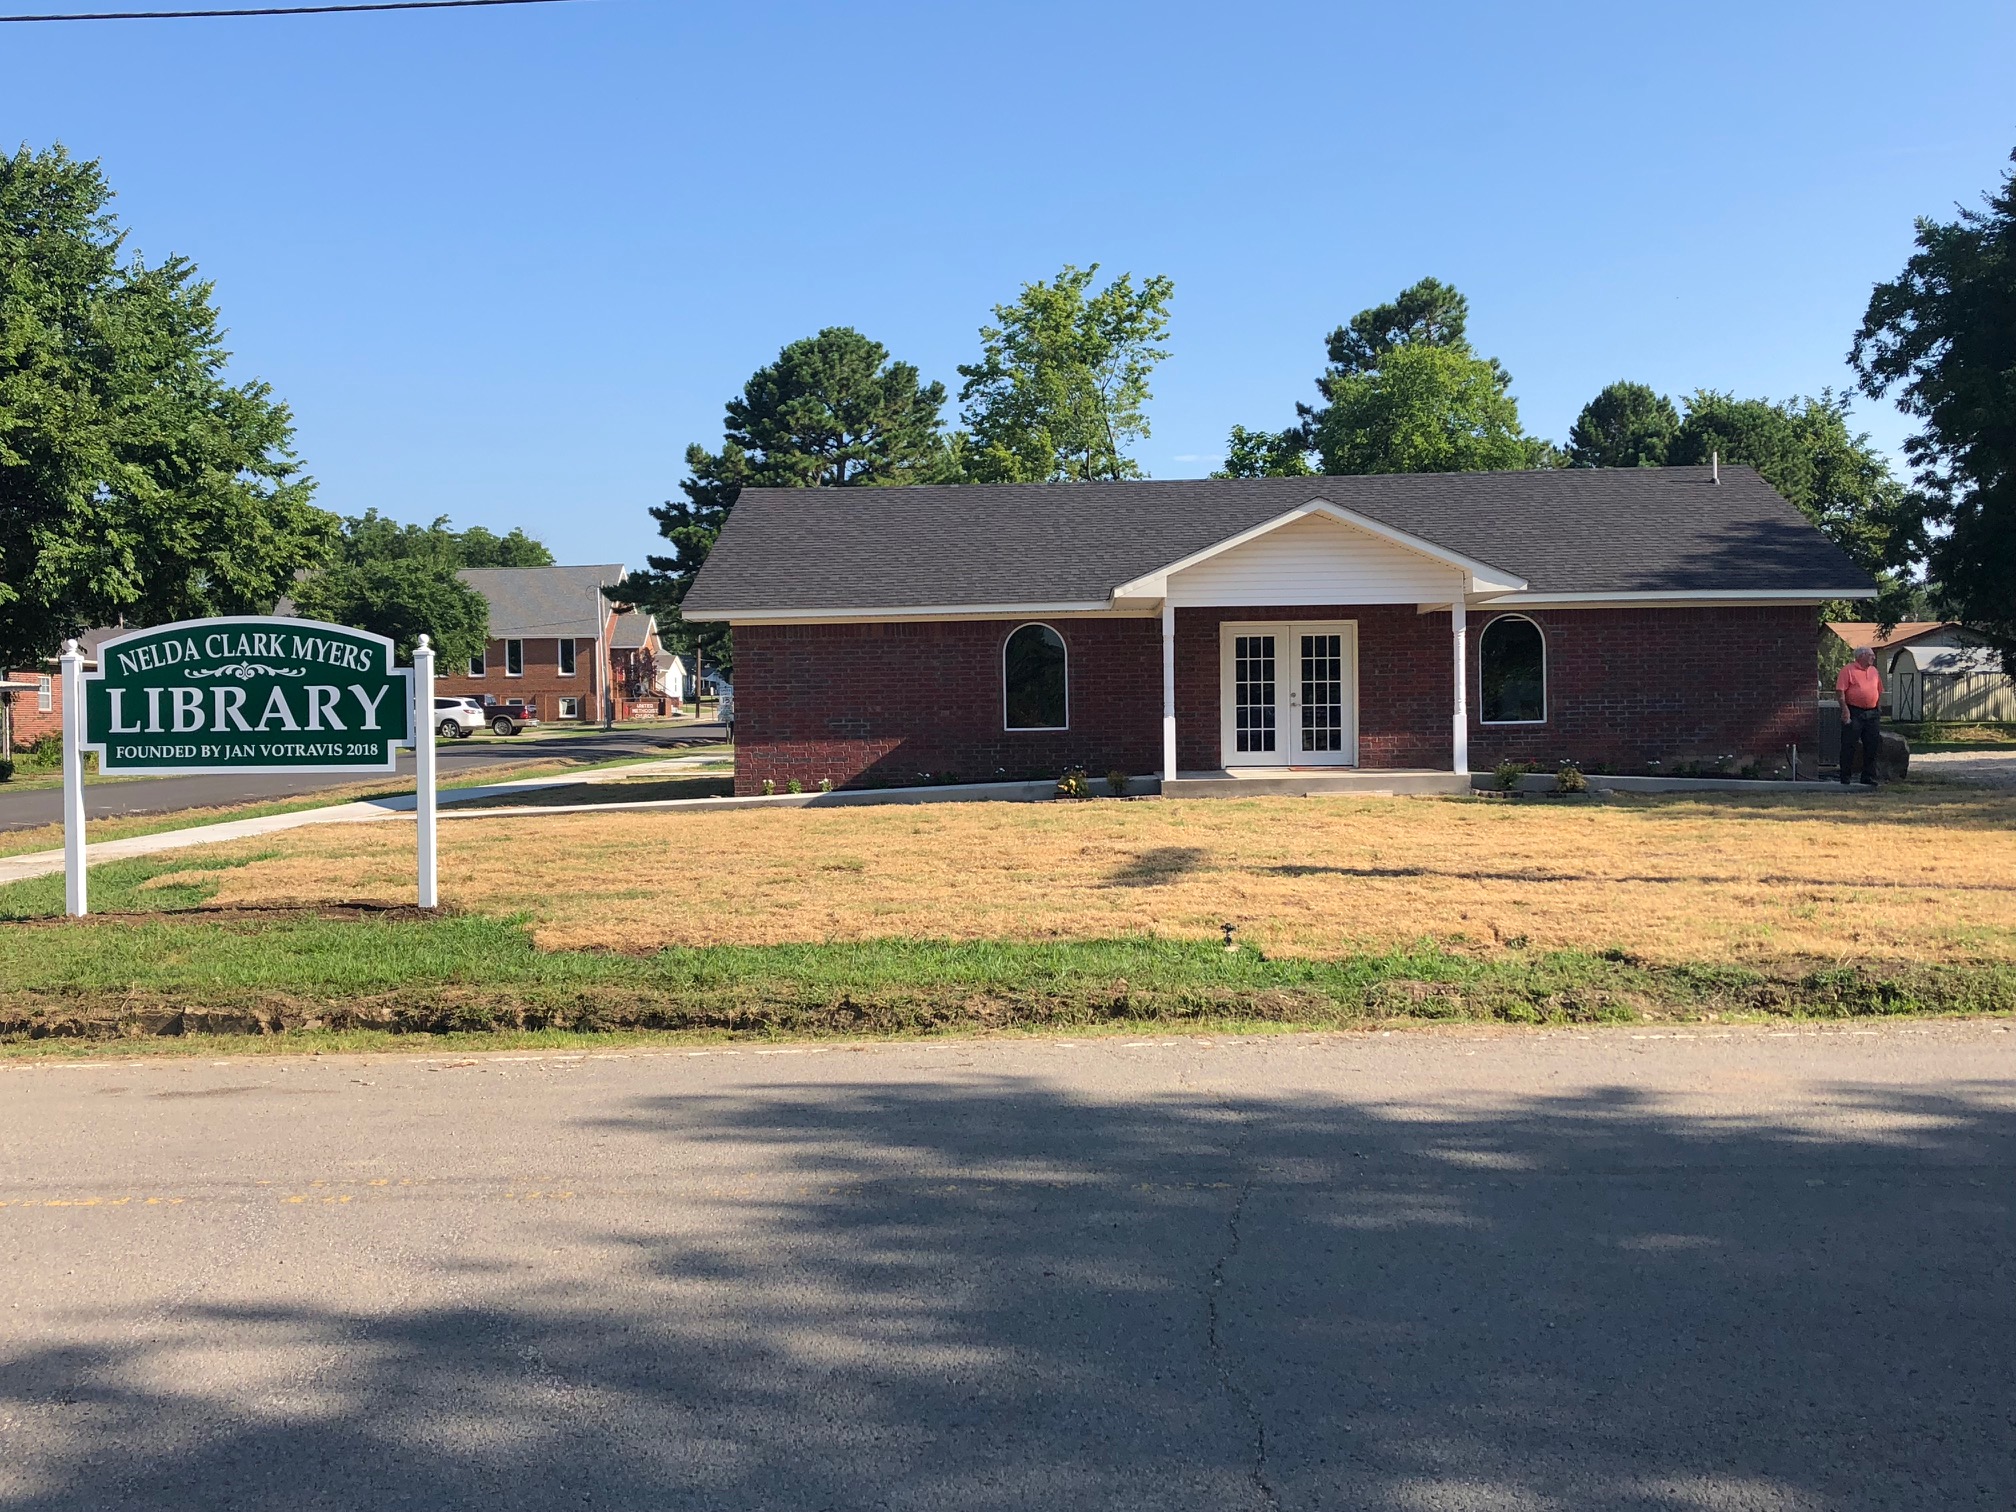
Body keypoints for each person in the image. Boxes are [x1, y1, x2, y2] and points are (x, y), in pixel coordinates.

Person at [1836, 645, 1884, 786]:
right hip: (1854, 712)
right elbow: (1840, 692)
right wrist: (1845, 710)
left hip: (1872, 712)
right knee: (1849, 745)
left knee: (1872, 745)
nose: (1873, 657)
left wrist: (1878, 706)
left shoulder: (1874, 671)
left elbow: (1879, 689)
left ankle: (1868, 776)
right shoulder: (1848, 670)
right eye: (1870, 655)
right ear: (1861, 656)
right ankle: (1845, 777)